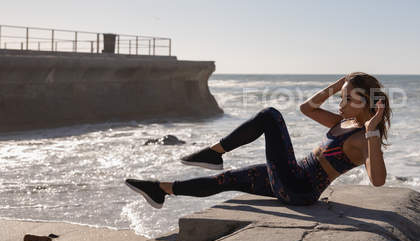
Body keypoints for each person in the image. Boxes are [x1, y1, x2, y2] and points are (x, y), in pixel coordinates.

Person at [125, 72, 391, 208]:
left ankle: (214, 152)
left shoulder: (364, 137)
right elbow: (306, 108)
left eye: (346, 98)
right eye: (340, 97)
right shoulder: (343, 122)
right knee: (225, 179)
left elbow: (378, 181)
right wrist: (337, 84)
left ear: (366, 102)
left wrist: (371, 131)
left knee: (270, 116)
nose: (340, 103)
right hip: (292, 177)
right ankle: (162, 190)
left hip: (299, 188)